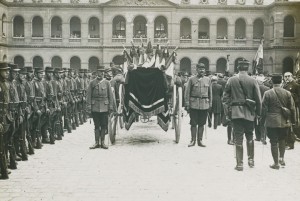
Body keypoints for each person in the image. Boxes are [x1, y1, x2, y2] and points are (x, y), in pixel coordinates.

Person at [222, 59, 261, 171]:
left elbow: (225, 98)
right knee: (250, 136)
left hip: (236, 113)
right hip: (249, 113)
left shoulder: (231, 80)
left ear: (238, 68)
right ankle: (251, 160)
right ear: (247, 68)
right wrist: (258, 113)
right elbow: (258, 99)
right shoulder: (253, 81)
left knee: (238, 138)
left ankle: (239, 164)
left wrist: (228, 112)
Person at [262, 74, 296, 169]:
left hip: (272, 121)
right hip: (284, 121)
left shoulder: (267, 93)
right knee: (282, 140)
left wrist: (262, 120)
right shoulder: (287, 93)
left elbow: (263, 108)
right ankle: (281, 158)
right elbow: (292, 108)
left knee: (273, 141)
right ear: (281, 82)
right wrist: (293, 121)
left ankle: (276, 163)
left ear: (272, 82)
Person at [86, 65, 115, 149]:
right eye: (100, 71)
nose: (101, 73)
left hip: (105, 107)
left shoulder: (107, 83)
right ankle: (96, 142)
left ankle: (102, 142)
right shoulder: (92, 83)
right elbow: (88, 96)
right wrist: (88, 107)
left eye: (103, 72)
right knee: (96, 125)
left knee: (103, 125)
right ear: (97, 72)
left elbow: (110, 96)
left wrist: (111, 107)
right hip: (95, 106)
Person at [185, 63, 212, 147]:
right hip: (194, 104)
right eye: (200, 69)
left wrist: (210, 103)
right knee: (193, 123)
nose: (202, 70)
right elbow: (187, 93)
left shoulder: (208, 80)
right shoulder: (191, 79)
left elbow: (210, 93)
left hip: (204, 105)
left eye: (203, 69)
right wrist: (187, 104)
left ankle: (200, 140)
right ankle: (193, 140)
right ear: (196, 70)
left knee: (202, 123)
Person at [282, 71, 300, 150]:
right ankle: (287, 142)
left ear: (292, 76)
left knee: (291, 125)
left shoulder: (296, 85)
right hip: (285, 108)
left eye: (288, 76)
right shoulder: (284, 85)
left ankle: (290, 143)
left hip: (292, 107)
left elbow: (298, 97)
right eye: (285, 76)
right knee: (286, 125)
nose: (287, 78)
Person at [0, 62, 11, 179]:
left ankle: (3, 168)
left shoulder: (5, 84)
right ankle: (3, 170)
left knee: (4, 144)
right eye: (4, 70)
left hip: (5, 117)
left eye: (8, 70)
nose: (7, 72)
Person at [255, 75, 270, 144]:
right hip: (264, 107)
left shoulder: (255, 88)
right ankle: (263, 137)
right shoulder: (267, 88)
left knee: (256, 122)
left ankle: (258, 137)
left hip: (256, 107)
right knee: (263, 123)